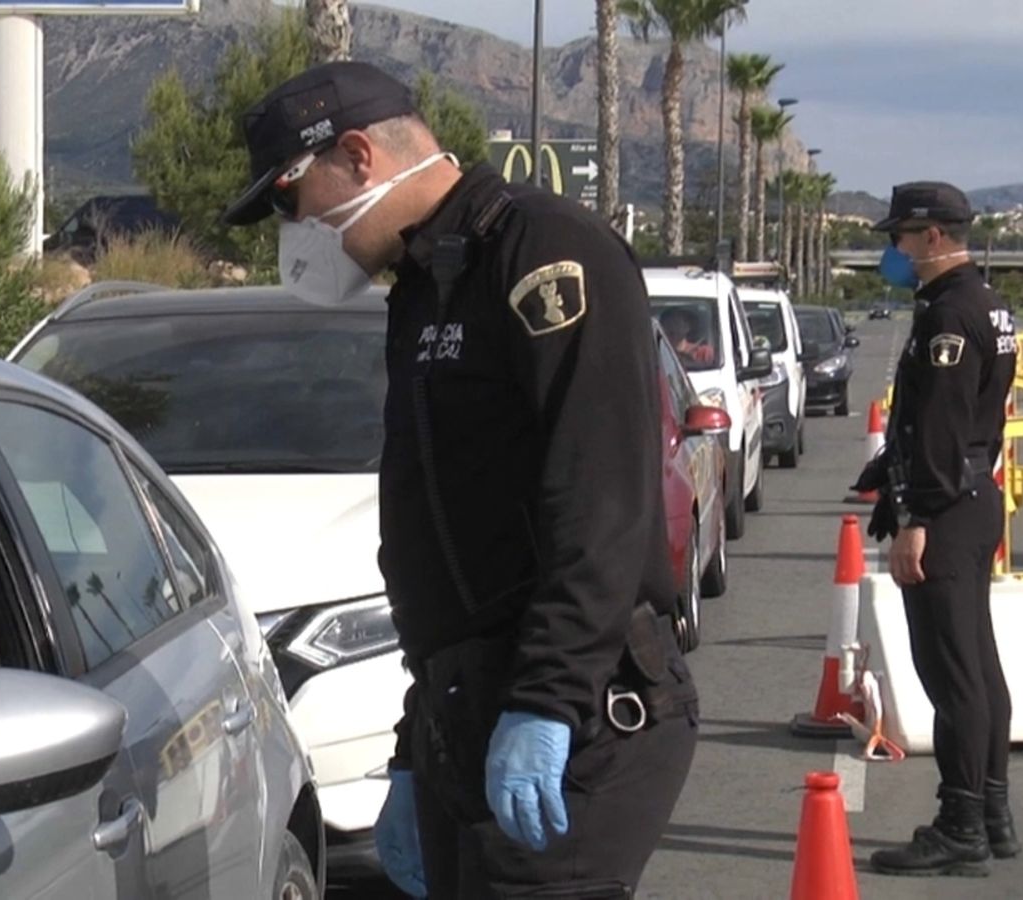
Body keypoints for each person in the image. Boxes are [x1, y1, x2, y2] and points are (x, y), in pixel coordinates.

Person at [222, 61, 697, 899]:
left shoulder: (544, 251)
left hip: (580, 711)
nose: (295, 230)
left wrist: (547, 701)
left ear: (357, 156)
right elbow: (442, 541)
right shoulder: (428, 283)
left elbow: (600, 503)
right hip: (465, 711)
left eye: (291, 199)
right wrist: (417, 743)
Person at [853, 181, 1019, 877]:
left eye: (900, 236)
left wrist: (917, 519)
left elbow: (943, 428)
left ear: (933, 236)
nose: (894, 249)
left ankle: (961, 825)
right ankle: (992, 813)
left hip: (947, 508)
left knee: (952, 676)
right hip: (975, 495)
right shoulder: (987, 303)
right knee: (977, 665)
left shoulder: (950, 315)